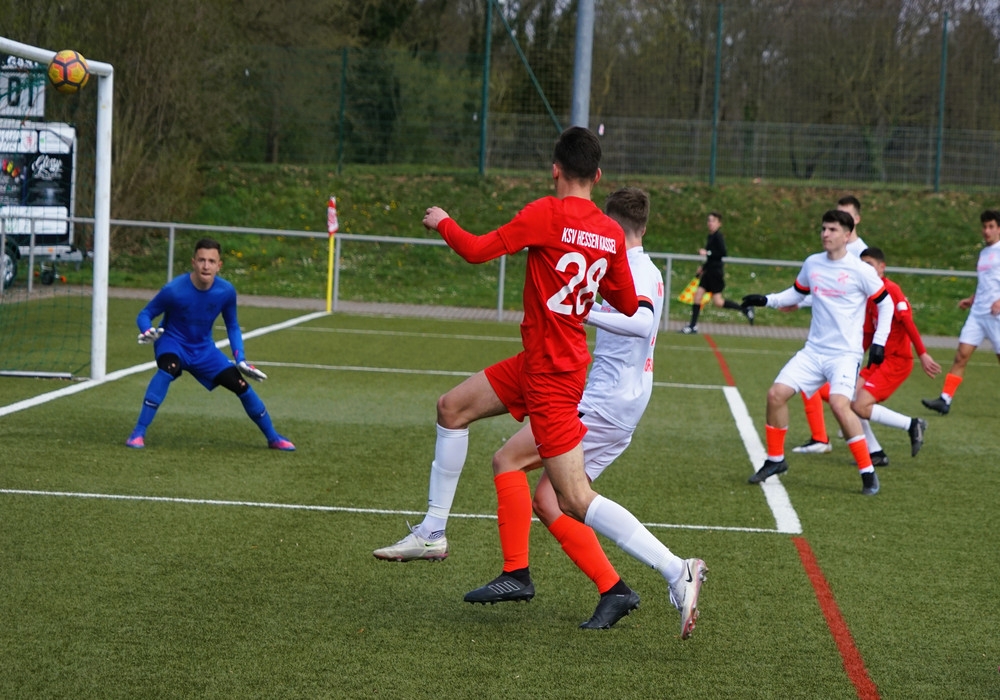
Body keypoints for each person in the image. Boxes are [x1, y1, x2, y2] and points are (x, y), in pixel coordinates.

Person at [373, 128, 707, 640]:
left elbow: (476, 251)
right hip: (539, 360)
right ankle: (434, 531)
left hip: (555, 376)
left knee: (571, 498)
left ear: (555, 169)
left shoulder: (544, 214)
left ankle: (673, 568)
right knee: (452, 407)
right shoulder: (609, 234)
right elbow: (626, 303)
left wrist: (443, 222)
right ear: (597, 175)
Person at [480, 186, 663, 630]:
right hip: (620, 400)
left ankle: (672, 568)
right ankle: (614, 590)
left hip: (604, 401)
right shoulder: (644, 267)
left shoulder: (635, 269)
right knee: (550, 500)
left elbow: (642, 321)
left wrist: (584, 312)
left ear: (612, 225)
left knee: (511, 462)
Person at [741, 209, 893, 496]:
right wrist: (767, 300)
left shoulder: (861, 270)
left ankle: (868, 472)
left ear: (847, 235)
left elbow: (885, 303)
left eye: (832, 230)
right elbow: (797, 293)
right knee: (775, 395)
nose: (825, 234)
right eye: (823, 228)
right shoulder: (813, 263)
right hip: (813, 351)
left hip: (845, 355)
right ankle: (775, 460)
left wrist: (880, 342)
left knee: (839, 404)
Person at [125, 237, 295, 451]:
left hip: (204, 350)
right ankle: (138, 433)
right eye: (201, 260)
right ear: (193, 262)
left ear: (219, 265)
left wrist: (240, 358)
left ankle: (273, 437)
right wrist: (146, 329)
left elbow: (232, 325)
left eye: (211, 261)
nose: (206, 266)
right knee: (168, 368)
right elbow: (145, 313)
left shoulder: (226, 291)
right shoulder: (174, 289)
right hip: (173, 343)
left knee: (240, 385)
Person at [792, 195, 868, 454]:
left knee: (844, 399)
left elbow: (875, 294)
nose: (830, 230)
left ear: (855, 220)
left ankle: (867, 446)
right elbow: (821, 288)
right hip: (825, 336)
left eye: (846, 215)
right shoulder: (824, 255)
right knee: (815, 387)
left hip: (849, 337)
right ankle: (821, 437)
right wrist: (795, 301)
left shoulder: (860, 255)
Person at [849, 247, 939, 465]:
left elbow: (908, 322)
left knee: (860, 406)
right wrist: (851, 359)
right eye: (861, 265)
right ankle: (875, 453)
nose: (864, 269)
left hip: (896, 361)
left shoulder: (891, 289)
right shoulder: (868, 294)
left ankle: (912, 424)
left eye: (869, 265)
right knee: (847, 400)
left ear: (882, 267)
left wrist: (923, 354)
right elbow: (868, 334)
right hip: (878, 361)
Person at [922, 209, 1000, 415]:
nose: (986, 231)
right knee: (961, 355)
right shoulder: (984, 253)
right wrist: (972, 299)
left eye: (991, 226)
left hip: (996, 316)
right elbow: (987, 283)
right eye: (984, 226)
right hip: (978, 313)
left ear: (999, 229)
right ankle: (945, 399)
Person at [680, 211, 754, 334]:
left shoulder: (718, 236)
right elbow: (711, 258)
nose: (710, 223)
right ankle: (693, 326)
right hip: (708, 272)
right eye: (709, 220)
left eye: (713, 221)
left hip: (715, 273)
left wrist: (707, 253)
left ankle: (745, 309)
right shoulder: (710, 236)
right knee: (697, 296)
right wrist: (703, 268)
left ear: (719, 223)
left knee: (718, 302)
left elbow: (722, 253)